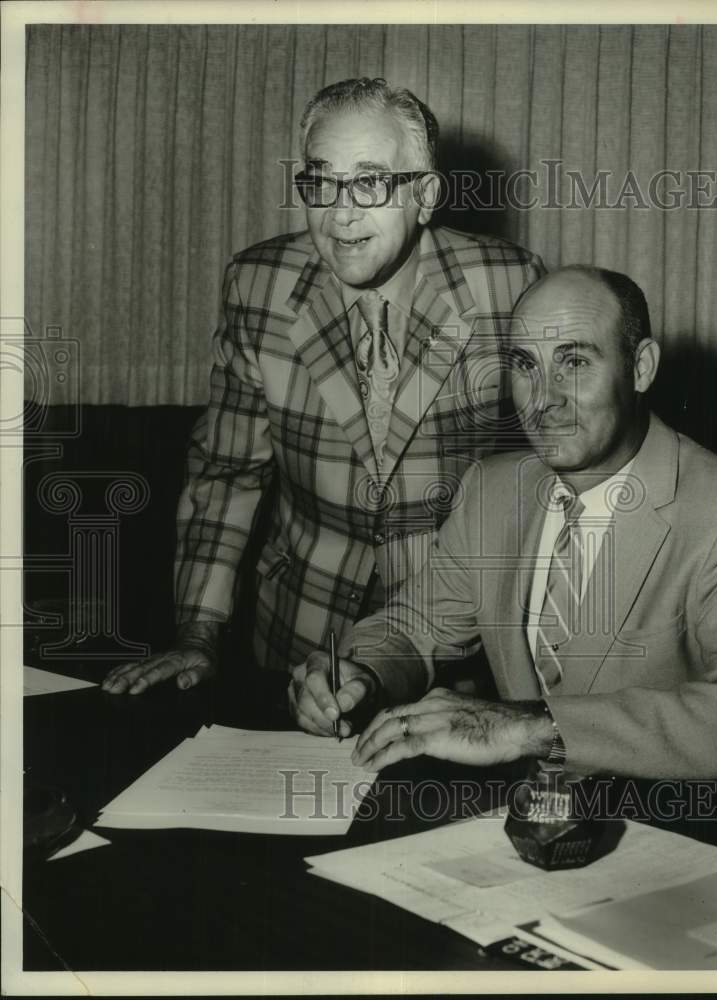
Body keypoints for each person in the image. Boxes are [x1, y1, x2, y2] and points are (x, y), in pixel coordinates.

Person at [103, 77, 545, 695]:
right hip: (299, 634)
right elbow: (227, 474)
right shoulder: (258, 286)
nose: (340, 214)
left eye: (370, 181)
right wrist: (198, 632)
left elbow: (545, 471)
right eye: (321, 181)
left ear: (425, 195)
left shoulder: (509, 285)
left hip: (454, 641)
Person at [290, 266, 717, 780]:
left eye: (575, 362)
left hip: (666, 828)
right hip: (518, 831)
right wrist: (360, 674)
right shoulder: (492, 491)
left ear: (641, 368)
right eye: (524, 365)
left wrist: (530, 727)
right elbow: (414, 629)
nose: (544, 398)